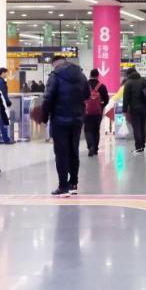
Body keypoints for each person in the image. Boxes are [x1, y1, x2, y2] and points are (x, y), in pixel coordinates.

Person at [42, 55, 90, 196]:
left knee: (61, 152)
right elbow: (87, 94)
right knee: (73, 150)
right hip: (77, 119)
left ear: (55, 64)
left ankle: (63, 186)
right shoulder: (81, 75)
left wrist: (44, 117)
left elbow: (48, 98)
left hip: (60, 119)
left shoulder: (55, 75)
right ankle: (73, 183)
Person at [121, 67, 146, 154]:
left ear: (128, 75)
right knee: (143, 126)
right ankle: (142, 144)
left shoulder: (128, 83)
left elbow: (126, 98)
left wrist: (124, 110)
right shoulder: (143, 81)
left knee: (136, 127)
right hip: (144, 108)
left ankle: (138, 147)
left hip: (134, 109)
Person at [83, 68, 110, 157]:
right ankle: (95, 149)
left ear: (90, 75)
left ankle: (90, 146)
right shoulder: (102, 86)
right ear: (98, 76)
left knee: (87, 129)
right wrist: (101, 106)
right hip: (98, 112)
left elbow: (80, 98)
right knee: (96, 130)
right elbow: (106, 99)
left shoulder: (85, 85)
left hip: (86, 112)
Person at [0, 67, 13, 144]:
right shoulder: (0, 81)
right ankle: (6, 140)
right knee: (2, 121)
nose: (6, 74)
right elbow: (3, 93)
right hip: (0, 104)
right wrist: (7, 102)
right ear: (2, 73)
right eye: (6, 73)